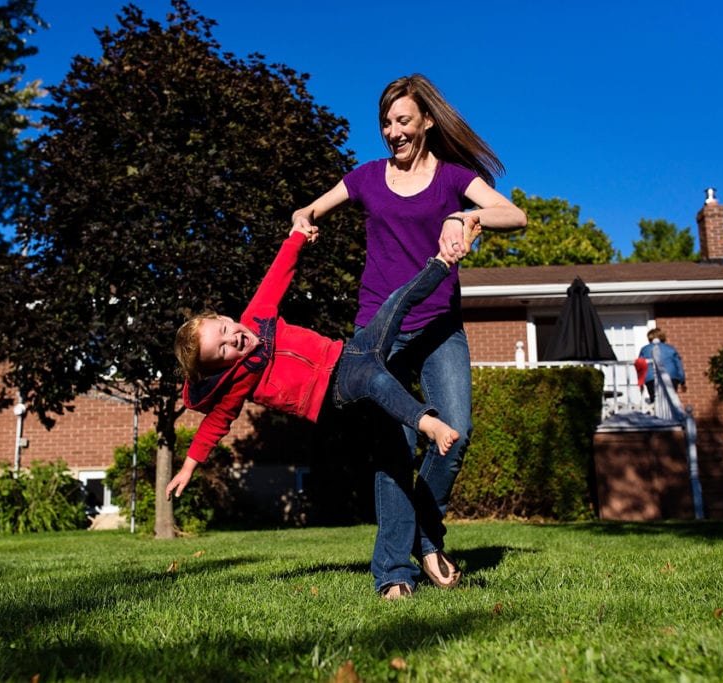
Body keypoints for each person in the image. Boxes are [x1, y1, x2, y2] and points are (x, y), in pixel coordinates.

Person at [291, 74, 527, 598]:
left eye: (402, 121)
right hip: (379, 333)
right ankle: (394, 572)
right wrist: (302, 219)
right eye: (385, 123)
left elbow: (515, 213)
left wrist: (466, 217)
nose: (393, 131)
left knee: (456, 430)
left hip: (439, 323)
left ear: (425, 122)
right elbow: (311, 207)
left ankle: (427, 533)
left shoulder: (452, 179)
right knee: (393, 448)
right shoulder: (367, 178)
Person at [166, 219, 482, 518]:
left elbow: (278, 274)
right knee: (379, 382)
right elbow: (215, 425)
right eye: (221, 351)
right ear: (221, 366)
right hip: (336, 389)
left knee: (395, 303)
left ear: (225, 319)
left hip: (349, 352)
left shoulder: (256, 316)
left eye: (224, 331)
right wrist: (188, 467)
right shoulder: (239, 380)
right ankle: (429, 424)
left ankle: (444, 259)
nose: (231, 341)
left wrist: (298, 237)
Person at [637, 328, 685, 401]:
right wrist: (682, 381)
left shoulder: (644, 349)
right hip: (671, 376)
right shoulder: (671, 348)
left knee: (655, 400)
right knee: (671, 400)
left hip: (651, 378)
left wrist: (640, 382)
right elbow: (678, 364)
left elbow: (640, 366)